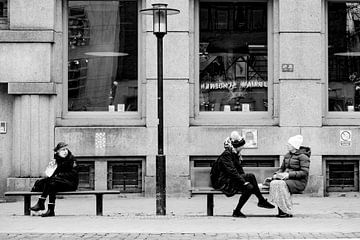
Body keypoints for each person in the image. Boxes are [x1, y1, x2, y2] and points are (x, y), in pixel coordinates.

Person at [210, 131, 274, 218]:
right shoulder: (226, 155)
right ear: (237, 147)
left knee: (250, 187)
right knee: (250, 177)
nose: (243, 148)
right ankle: (261, 200)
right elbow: (231, 171)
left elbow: (239, 171)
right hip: (222, 182)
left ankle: (237, 211)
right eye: (242, 146)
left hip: (230, 179)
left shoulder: (234, 154)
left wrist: (245, 182)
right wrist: (243, 182)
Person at [30, 142, 79, 217]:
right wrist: (51, 168)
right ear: (58, 152)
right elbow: (50, 175)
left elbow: (73, 174)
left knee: (52, 183)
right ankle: (50, 210)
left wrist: (59, 175)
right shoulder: (56, 160)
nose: (65, 151)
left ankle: (41, 203)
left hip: (70, 183)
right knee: (51, 184)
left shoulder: (72, 159)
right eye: (63, 150)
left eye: (66, 149)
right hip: (58, 183)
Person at [269, 135, 311, 218]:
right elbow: (282, 169)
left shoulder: (303, 157)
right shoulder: (287, 155)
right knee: (274, 183)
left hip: (299, 182)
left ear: (294, 146)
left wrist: (288, 175)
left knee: (280, 184)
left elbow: (304, 172)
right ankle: (282, 211)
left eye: (289, 144)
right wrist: (276, 175)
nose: (287, 145)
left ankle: (286, 210)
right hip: (287, 180)